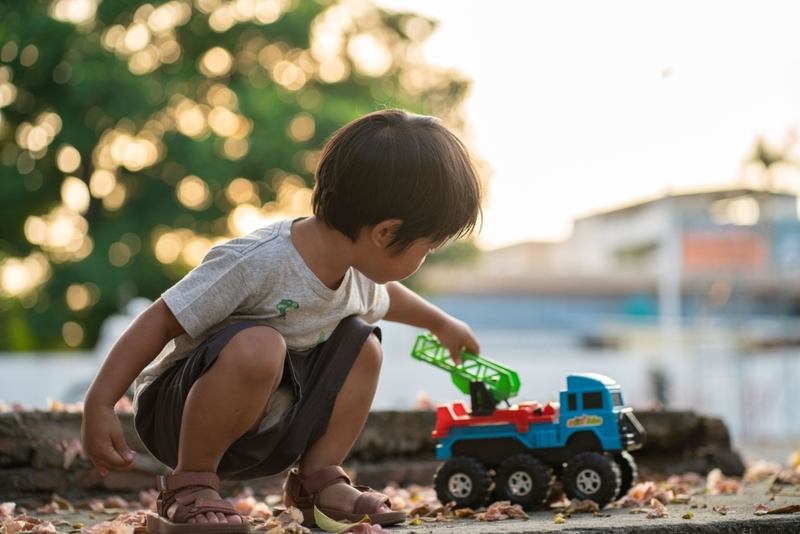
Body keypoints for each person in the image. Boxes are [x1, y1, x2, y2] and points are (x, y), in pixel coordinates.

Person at [81, 109, 482, 532]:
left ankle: (317, 483)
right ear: (385, 233)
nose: (425, 259)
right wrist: (101, 402)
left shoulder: (358, 274)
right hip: (179, 418)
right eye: (428, 247)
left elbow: (389, 299)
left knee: (365, 345)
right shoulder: (256, 262)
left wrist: (440, 323)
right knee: (261, 345)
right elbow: (161, 319)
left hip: (274, 428)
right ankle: (188, 485)